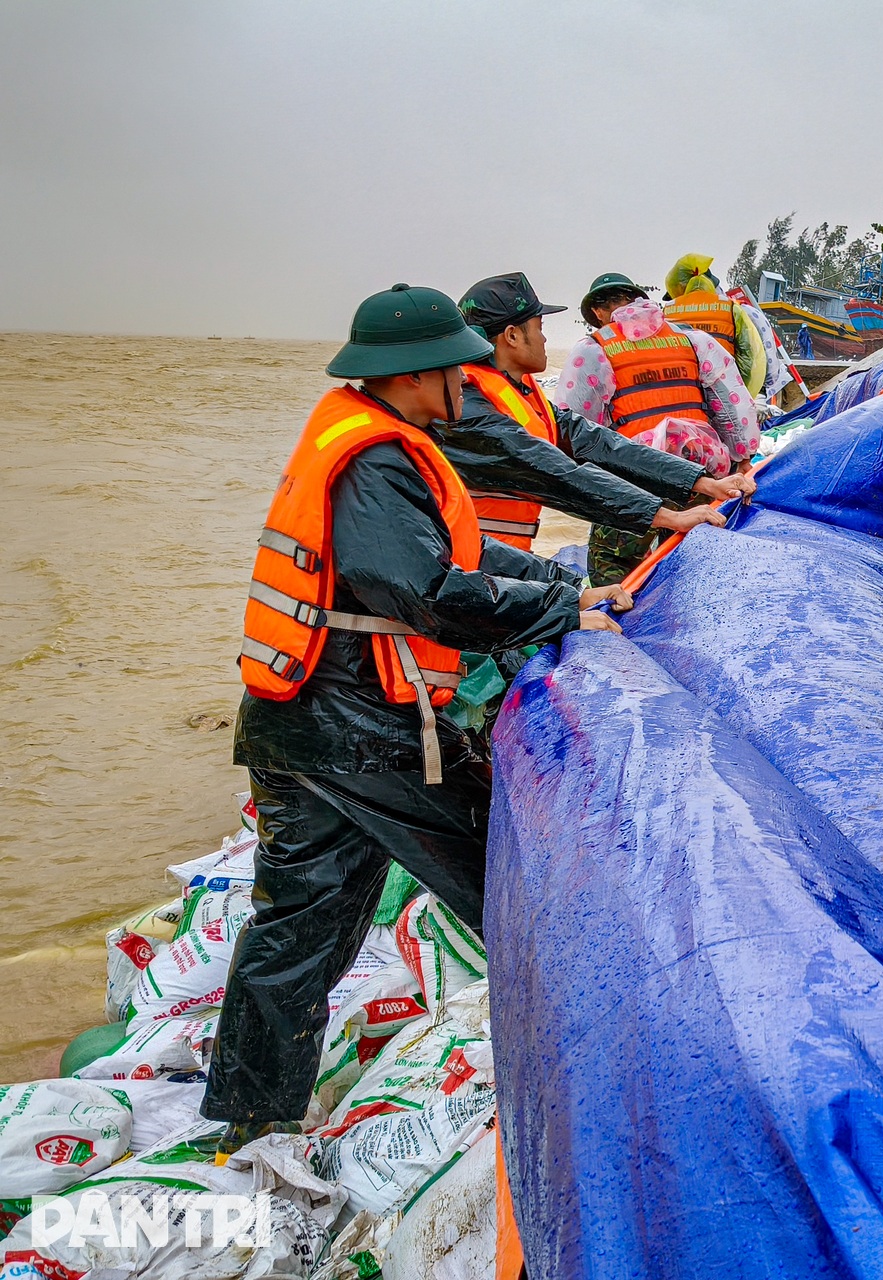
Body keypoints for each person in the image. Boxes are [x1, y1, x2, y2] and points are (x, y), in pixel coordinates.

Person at [207, 285, 634, 1148]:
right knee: (514, 877)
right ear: (415, 375)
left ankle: (250, 1119)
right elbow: (428, 593)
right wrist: (560, 613)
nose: (468, 383)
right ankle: (610, 1072)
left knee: (299, 926)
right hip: (365, 731)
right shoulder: (374, 464)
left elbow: (465, 550)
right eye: (456, 370)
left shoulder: (369, 438)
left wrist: (566, 585)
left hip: (299, 721)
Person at [452, 272, 744, 554]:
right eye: (539, 327)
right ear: (512, 336)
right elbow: (558, 474)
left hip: (500, 556)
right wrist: (670, 517)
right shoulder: (470, 409)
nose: (544, 340)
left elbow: (596, 440)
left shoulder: (520, 391)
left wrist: (701, 482)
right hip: (469, 562)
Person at [560, 297, 761, 583]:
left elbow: (575, 427)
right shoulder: (693, 340)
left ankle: (618, 609)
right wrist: (742, 456)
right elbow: (732, 405)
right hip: (699, 467)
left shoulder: (594, 349)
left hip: (634, 475)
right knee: (692, 556)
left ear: (598, 312)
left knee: (614, 567)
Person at [662, 254, 767, 399]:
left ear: (678, 287)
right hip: (725, 390)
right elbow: (749, 356)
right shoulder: (731, 308)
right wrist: (744, 394)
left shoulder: (666, 312)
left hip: (683, 389)